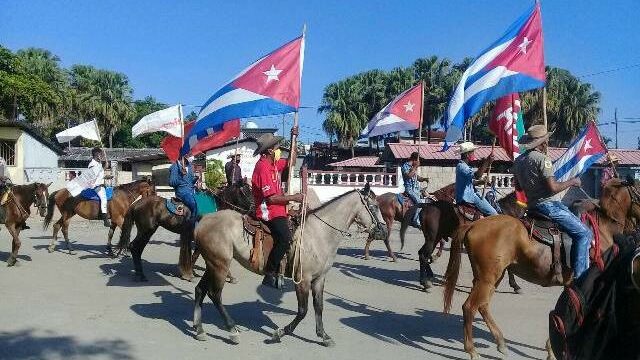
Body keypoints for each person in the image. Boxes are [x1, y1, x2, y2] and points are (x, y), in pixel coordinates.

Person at [513, 125, 591, 279]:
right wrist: (572, 182)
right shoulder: (542, 159)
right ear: (543, 143)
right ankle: (581, 278)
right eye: (546, 141)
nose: (546, 144)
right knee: (584, 233)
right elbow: (553, 187)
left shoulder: (519, 161)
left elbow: (519, 186)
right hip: (549, 206)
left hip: (532, 206)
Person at [252, 129, 304, 289]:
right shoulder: (263, 168)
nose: (279, 150)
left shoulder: (273, 164)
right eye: (277, 147)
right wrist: (294, 198)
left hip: (280, 208)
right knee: (285, 238)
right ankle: (270, 272)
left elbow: (291, 162)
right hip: (269, 210)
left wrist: (293, 138)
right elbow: (271, 199)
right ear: (269, 150)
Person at [455, 142, 498, 216]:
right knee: (494, 214)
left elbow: (471, 182)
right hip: (468, 197)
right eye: (472, 153)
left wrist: (482, 182)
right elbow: (477, 176)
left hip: (468, 195)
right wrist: (487, 162)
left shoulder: (464, 166)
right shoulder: (462, 166)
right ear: (467, 155)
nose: (474, 155)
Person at [401, 152, 429, 227]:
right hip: (410, 189)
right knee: (420, 203)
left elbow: (416, 177)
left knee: (428, 197)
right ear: (414, 159)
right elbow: (409, 176)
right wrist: (415, 167)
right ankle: (416, 221)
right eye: (418, 160)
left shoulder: (413, 167)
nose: (419, 162)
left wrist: (423, 179)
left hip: (417, 189)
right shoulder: (405, 166)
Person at [169, 155, 198, 224]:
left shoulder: (190, 166)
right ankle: (193, 225)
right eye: (189, 155)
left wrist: (196, 178)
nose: (191, 156)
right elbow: (171, 183)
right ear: (183, 156)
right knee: (195, 204)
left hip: (192, 191)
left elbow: (190, 182)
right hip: (182, 193)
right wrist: (180, 175)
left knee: (203, 201)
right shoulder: (175, 166)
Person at [88, 148, 112, 227]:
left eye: (101, 154)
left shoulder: (98, 163)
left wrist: (106, 176)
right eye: (100, 154)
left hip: (101, 184)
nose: (101, 156)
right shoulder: (92, 164)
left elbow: (100, 174)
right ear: (96, 154)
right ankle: (105, 219)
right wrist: (104, 166)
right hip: (96, 185)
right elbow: (94, 175)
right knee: (104, 198)